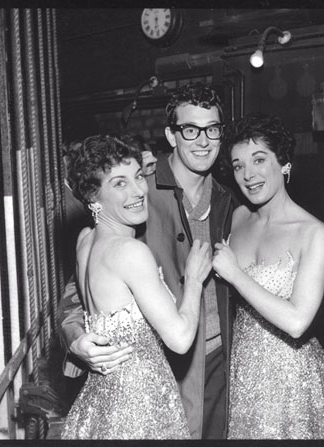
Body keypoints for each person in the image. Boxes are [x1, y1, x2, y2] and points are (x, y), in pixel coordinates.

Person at [58, 83, 236, 439]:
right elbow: (74, 300)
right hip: (156, 379)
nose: (203, 141)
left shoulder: (232, 199)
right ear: (171, 135)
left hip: (218, 364)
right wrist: (75, 339)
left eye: (212, 130)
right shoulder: (138, 199)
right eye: (190, 130)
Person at [212, 114, 324, 439]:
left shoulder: (314, 233)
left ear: (284, 163)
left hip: (292, 379)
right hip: (243, 374)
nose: (248, 175)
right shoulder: (238, 217)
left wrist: (235, 274)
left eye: (259, 160)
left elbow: (297, 321)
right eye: (237, 165)